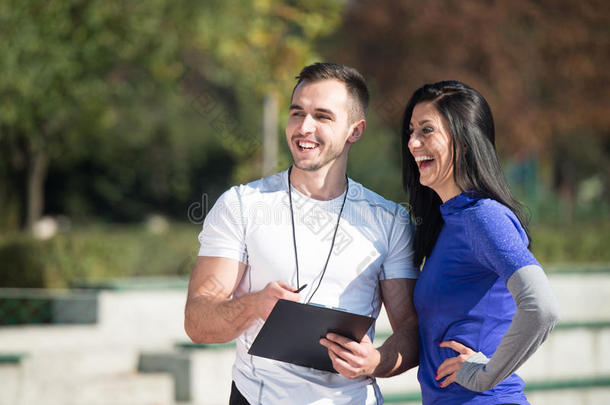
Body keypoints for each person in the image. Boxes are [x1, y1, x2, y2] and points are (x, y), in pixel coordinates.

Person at [185, 62, 419, 405]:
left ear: (355, 130)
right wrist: (256, 304)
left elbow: (411, 329)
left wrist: (377, 360)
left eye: (322, 116)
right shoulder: (241, 204)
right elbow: (197, 320)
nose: (304, 127)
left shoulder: (390, 220)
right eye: (297, 113)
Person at [401, 80, 560, 404]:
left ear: (464, 141)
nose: (413, 143)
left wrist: (486, 374)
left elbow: (542, 307)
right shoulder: (450, 221)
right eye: (411, 131)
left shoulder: (482, 217)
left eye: (426, 131)